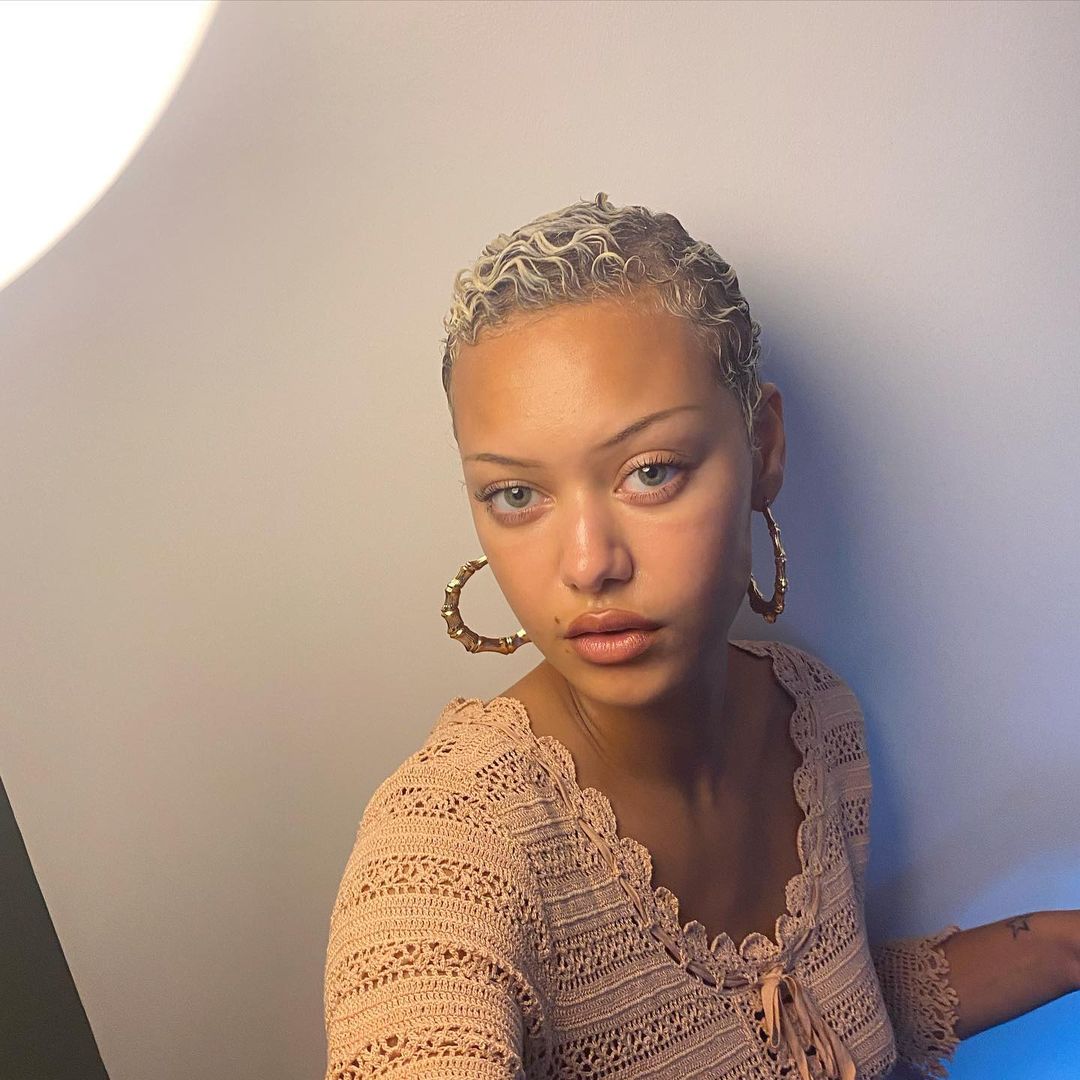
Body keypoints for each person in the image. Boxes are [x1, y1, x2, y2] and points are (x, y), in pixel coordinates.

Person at [323, 193, 1078, 1079]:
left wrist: (1066, 945)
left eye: (650, 472)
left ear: (763, 448)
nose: (589, 565)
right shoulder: (446, 851)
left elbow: (824, 1019)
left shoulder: (817, 717)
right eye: (516, 494)